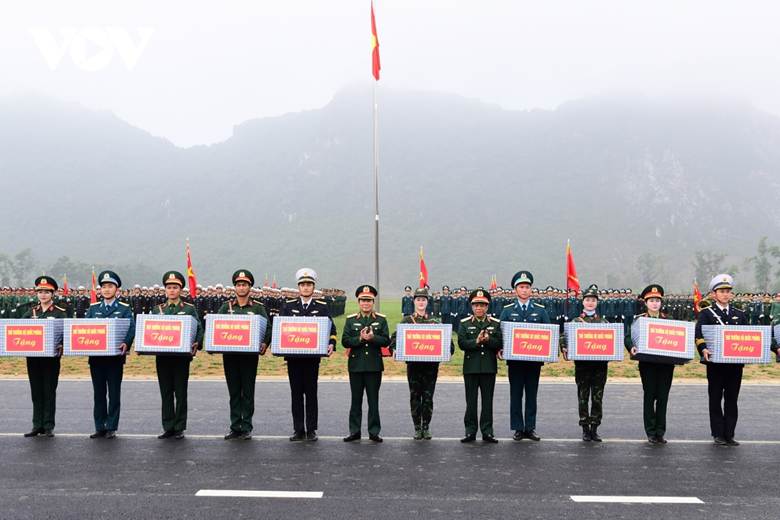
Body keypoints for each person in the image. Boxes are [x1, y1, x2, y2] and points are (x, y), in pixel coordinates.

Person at [281, 268, 337, 442]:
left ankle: (311, 429)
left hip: (313, 358)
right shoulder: (288, 306)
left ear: (313, 287)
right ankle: (298, 429)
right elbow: (281, 329)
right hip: (294, 358)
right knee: (296, 394)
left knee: (311, 393)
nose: (306, 288)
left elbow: (332, 329)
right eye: (303, 284)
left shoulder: (321, 307)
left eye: (309, 284)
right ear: (298, 287)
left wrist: (331, 343)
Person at [391, 287, 453, 439]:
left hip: (430, 367)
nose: (420, 302)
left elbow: (449, 344)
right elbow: (394, 339)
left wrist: (446, 351)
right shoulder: (406, 321)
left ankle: (426, 426)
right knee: (414, 396)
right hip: (413, 366)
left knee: (428, 397)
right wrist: (395, 348)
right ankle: (417, 427)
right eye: (418, 299)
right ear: (414, 302)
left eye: (423, 300)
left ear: (427, 302)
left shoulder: (436, 321)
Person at [217, 270, 272, 440]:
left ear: (250, 287)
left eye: (244, 284)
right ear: (235, 287)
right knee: (234, 392)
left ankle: (246, 426)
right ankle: (235, 426)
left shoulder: (258, 307)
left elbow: (268, 327)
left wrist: (265, 343)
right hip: (230, 355)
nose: (241, 287)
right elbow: (216, 325)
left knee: (247, 392)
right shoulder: (226, 307)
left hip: (249, 357)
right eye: (239, 284)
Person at [499, 271, 551, 441]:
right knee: (515, 394)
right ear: (515, 290)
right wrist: (500, 349)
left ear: (531, 290)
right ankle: (518, 428)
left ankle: (530, 427)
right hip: (514, 361)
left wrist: (549, 351)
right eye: (521, 287)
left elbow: (548, 333)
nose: (524, 290)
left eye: (527, 287)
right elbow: (501, 334)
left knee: (531, 394)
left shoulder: (540, 310)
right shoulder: (507, 311)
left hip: (534, 362)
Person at [695, 274, 747, 446]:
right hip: (715, 364)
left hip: (734, 365)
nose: (725, 294)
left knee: (732, 399)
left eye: (728, 291)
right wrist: (703, 349)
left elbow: (747, 336)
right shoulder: (706, 314)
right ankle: (718, 433)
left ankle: (729, 434)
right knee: (715, 398)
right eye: (722, 291)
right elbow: (699, 335)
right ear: (714, 294)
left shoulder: (740, 314)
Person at [85, 270, 136, 439]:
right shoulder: (93, 309)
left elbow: (131, 328)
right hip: (96, 358)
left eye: (110, 286)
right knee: (98, 393)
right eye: (103, 286)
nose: (106, 290)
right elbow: (85, 330)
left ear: (117, 289)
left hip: (115, 358)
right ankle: (100, 426)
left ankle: (112, 426)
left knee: (114, 393)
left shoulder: (124, 309)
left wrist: (126, 343)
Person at [153, 271, 204, 440]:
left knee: (181, 393)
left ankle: (180, 426)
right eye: (169, 287)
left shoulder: (189, 309)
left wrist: (197, 343)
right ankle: (168, 426)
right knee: (166, 392)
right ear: (165, 290)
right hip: (163, 357)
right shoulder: (158, 309)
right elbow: (150, 330)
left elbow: (199, 328)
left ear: (180, 289)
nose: (172, 291)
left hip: (181, 358)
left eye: (175, 287)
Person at [625, 284, 675, 444]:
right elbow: (628, 336)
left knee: (662, 398)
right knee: (649, 396)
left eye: (657, 300)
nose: (655, 303)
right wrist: (631, 346)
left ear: (661, 303)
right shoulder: (639, 320)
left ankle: (660, 431)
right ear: (645, 303)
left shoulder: (669, 320)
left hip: (666, 365)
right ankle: (650, 431)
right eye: (651, 300)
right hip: (648, 364)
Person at [21, 276, 68, 438]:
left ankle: (48, 425)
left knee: (49, 390)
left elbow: (65, 333)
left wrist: (62, 344)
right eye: (40, 292)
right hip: (33, 357)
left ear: (52, 293)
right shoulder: (30, 312)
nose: (43, 295)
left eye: (47, 292)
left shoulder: (59, 313)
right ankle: (36, 425)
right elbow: (21, 329)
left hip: (51, 359)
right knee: (36, 391)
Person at [342, 285, 389, 443]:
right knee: (355, 400)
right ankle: (354, 431)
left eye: (369, 300)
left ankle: (374, 431)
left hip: (374, 366)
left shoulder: (381, 320)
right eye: (363, 300)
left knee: (373, 400)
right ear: (358, 302)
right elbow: (345, 341)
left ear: (373, 302)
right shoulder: (351, 320)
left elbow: (386, 340)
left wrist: (373, 338)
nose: (366, 303)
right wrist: (360, 339)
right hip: (356, 365)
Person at [561, 284, 608, 442]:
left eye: (593, 300)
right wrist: (564, 347)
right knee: (583, 396)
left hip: (599, 367)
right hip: (582, 366)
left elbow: (612, 340)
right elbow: (564, 336)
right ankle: (585, 428)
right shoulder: (575, 321)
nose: (590, 303)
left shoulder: (604, 323)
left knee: (597, 397)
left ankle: (595, 427)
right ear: (583, 302)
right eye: (587, 300)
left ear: (597, 303)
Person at [457, 289, 502, 443]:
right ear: (472, 306)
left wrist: (489, 340)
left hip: (489, 368)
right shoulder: (465, 323)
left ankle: (487, 431)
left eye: (482, 305)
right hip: (471, 368)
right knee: (471, 401)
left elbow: (500, 343)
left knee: (487, 401)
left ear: (487, 307)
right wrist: (475, 342)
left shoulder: (495, 324)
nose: (479, 308)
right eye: (476, 305)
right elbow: (461, 343)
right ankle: (470, 431)